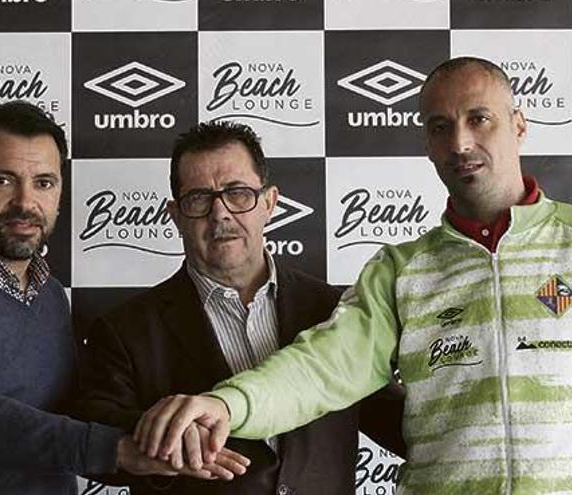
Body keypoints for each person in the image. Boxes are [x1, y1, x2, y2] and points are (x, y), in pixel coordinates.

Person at [134, 58, 572, 494]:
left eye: (479, 118)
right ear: (426, 144)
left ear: (519, 125)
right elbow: (320, 367)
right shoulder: (401, 270)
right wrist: (228, 405)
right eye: (440, 127)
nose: (460, 142)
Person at [0, 101, 247, 495]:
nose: (25, 203)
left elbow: (72, 415)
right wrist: (116, 449)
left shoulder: (48, 295)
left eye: (44, 182)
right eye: (3, 180)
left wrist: (168, 435)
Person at [75, 121, 405, 494]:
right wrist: (163, 437)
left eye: (238, 193)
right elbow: (92, 433)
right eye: (199, 199)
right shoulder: (125, 329)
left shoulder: (336, 311)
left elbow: (403, 426)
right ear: (175, 215)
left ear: (269, 202)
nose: (220, 214)